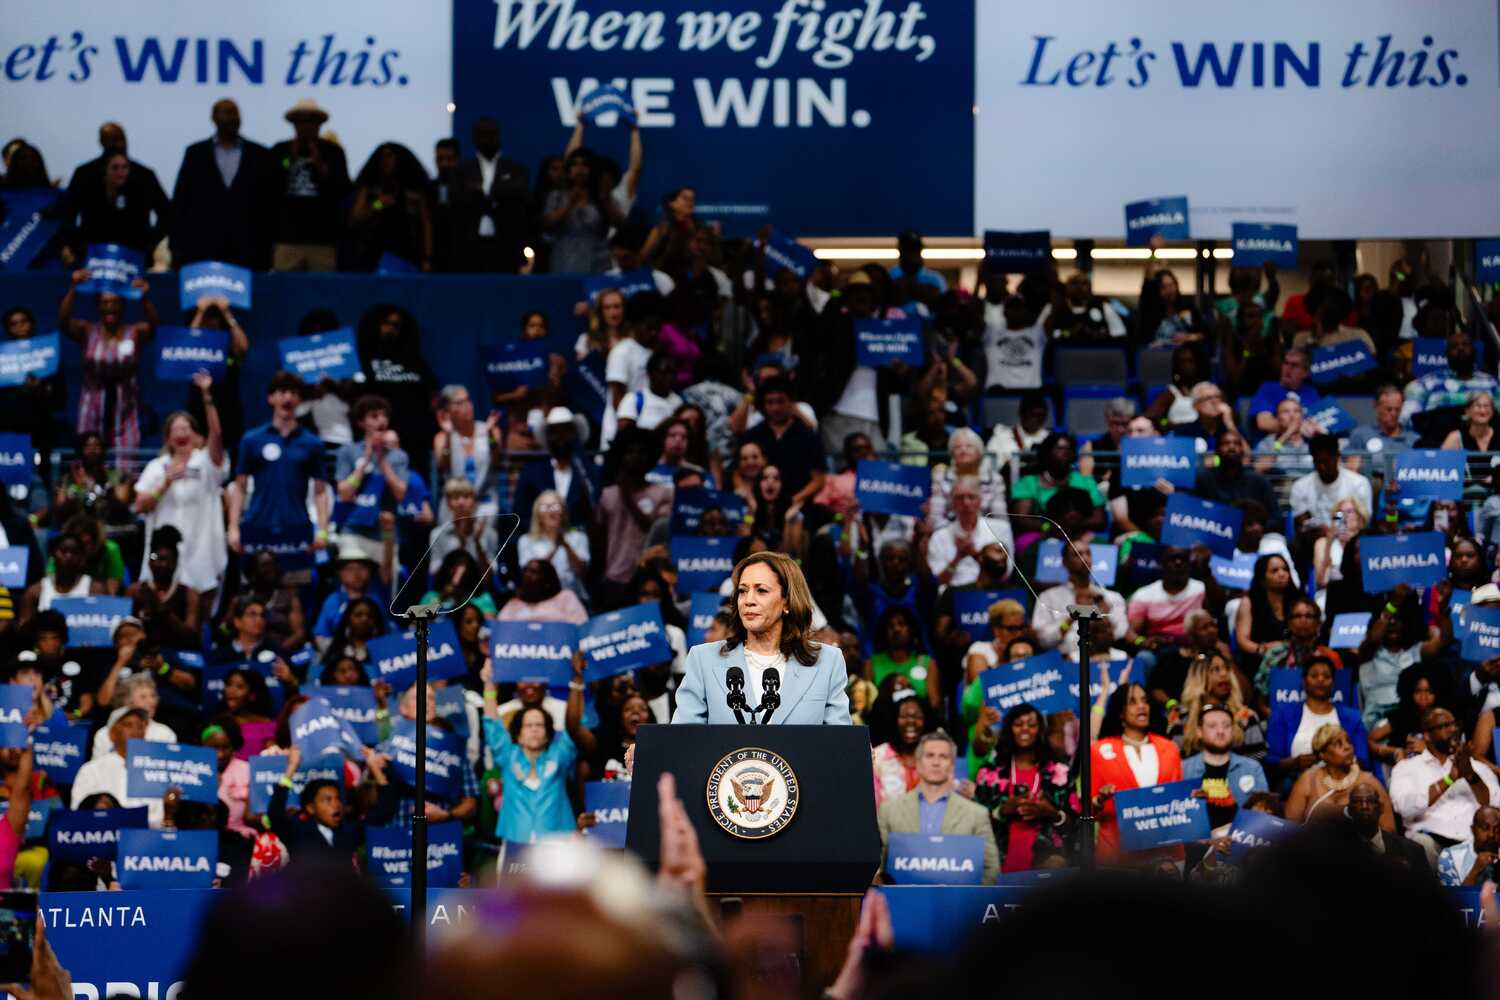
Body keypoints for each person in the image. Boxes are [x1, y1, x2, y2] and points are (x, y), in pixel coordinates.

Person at [673, 551, 851, 725]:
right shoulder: (703, 659)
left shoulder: (828, 662)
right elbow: (684, 740)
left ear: (787, 601)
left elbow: (839, 744)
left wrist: (857, 750)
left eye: (761, 591)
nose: (748, 600)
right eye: (742, 591)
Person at [134, 371, 228, 597]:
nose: (181, 432)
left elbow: (216, 433)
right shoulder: (156, 467)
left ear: (196, 436)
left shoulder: (205, 462)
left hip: (201, 552)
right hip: (163, 556)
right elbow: (140, 506)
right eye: (175, 429)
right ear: (168, 438)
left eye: (186, 428)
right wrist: (164, 484)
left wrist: (206, 396)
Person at [227, 372, 331, 564]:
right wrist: (233, 528)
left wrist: (323, 530)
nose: (288, 397)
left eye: (293, 393)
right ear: (271, 398)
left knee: (295, 590)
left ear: (299, 399)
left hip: (297, 527)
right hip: (257, 526)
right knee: (257, 590)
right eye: (282, 392)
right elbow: (240, 487)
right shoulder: (252, 440)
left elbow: (320, 491)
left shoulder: (312, 443)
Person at [58, 265, 158, 455]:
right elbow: (63, 322)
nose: (109, 307)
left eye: (114, 302)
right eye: (104, 303)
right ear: (98, 306)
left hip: (126, 406)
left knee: (125, 462)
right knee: (89, 455)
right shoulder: (88, 331)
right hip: (92, 404)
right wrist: (73, 288)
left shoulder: (134, 331)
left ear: (122, 305)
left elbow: (155, 326)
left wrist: (144, 298)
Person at [878, 730, 999, 885]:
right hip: (901, 904)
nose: (936, 762)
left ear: (952, 765)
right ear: (918, 763)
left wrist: (972, 902)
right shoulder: (889, 810)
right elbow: (879, 865)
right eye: (929, 756)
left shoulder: (977, 814)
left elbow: (991, 869)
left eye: (943, 756)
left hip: (960, 906)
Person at [480, 660, 578, 843]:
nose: (534, 729)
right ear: (517, 735)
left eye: (540, 725)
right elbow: (492, 724)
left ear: (548, 735)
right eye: (528, 725)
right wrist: (489, 684)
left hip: (557, 846)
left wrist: (576, 680)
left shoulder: (560, 756)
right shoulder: (508, 756)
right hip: (515, 846)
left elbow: (573, 727)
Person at [1389, 707, 1500, 865]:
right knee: (1422, 844)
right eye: (1444, 726)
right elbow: (1404, 809)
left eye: (1454, 724)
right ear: (1427, 735)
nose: (1452, 729)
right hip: (1432, 844)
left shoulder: (1477, 768)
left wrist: (1471, 776)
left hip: (1473, 845)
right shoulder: (1406, 768)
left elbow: (1494, 806)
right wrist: (1449, 779)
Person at [972, 702, 1074, 872]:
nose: (1025, 729)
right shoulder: (990, 772)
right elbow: (974, 824)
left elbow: (1075, 826)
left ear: (1041, 730)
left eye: (1032, 724)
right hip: (997, 868)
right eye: (1018, 724)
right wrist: (1002, 811)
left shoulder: (1059, 772)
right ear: (1009, 729)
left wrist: (1050, 813)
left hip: (1045, 872)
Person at [170, 98, 269, 268]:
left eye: (236, 113)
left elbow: (268, 202)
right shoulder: (195, 153)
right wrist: (176, 244)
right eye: (227, 112)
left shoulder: (259, 154)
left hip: (249, 248)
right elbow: (181, 200)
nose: (233, 118)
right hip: (204, 246)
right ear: (214, 119)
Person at [1090, 681, 1182, 860]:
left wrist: (1193, 800)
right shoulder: (1099, 751)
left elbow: (1178, 800)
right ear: (1120, 712)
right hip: (1117, 856)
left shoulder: (1170, 748)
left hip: (1166, 854)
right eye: (1132, 702)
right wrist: (1100, 799)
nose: (1141, 706)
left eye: (1145, 700)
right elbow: (1087, 811)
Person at [267, 98, 351, 272]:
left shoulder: (333, 152)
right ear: (294, 125)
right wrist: (288, 162)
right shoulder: (280, 151)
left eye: (312, 121)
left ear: (319, 124)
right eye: (301, 122)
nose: (306, 126)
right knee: (284, 289)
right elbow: (268, 187)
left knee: (323, 292)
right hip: (287, 239)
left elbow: (343, 191)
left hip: (322, 240)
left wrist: (321, 168)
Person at [1355, 583, 1450, 730]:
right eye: (1389, 620)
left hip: (1410, 718)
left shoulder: (1415, 651)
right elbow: (1373, 638)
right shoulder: (1369, 652)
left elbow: (1444, 641)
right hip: (1377, 717)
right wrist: (1392, 605)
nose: (1392, 623)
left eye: (1397, 619)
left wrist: (1442, 610)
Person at [333, 395, 410, 562]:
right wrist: (365, 461)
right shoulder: (348, 452)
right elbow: (345, 493)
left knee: (387, 587)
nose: (381, 420)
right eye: (374, 416)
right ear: (361, 423)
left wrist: (382, 461)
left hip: (385, 533)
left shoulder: (398, 456)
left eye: (384, 416)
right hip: (353, 531)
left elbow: (400, 494)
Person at [1268, 654, 1368, 779]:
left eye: (1326, 676)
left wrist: (1340, 764)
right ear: (1304, 681)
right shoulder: (1283, 714)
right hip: (1297, 782)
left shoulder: (1352, 717)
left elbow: (1363, 759)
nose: (1321, 680)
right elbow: (1271, 760)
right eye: (1314, 675)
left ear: (1333, 682)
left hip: (1344, 783)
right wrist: (1294, 763)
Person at [63, 142, 170, 259]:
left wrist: (148, 245)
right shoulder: (91, 192)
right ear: (105, 170)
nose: (120, 173)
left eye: (124, 168)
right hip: (95, 257)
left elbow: (166, 215)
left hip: (133, 258)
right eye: (115, 168)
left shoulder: (138, 194)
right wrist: (79, 247)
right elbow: (68, 216)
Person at [740, 375, 828, 511]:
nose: (775, 408)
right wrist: (749, 497)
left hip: (798, 507)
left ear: (791, 402)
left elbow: (819, 480)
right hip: (757, 509)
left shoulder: (808, 436)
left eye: (781, 401)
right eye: (770, 402)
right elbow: (737, 473)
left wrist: (794, 500)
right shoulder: (752, 435)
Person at [69, 707, 164, 825]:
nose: (136, 731)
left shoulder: (154, 772)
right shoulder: (91, 770)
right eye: (128, 725)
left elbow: (158, 817)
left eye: (140, 726)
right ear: (112, 733)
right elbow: (77, 811)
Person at [1181, 702, 1268, 831]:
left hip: (1242, 844)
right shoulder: (1183, 770)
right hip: (1199, 846)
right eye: (1212, 726)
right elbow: (1177, 824)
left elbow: (1265, 817)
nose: (1220, 731)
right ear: (1199, 731)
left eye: (1226, 726)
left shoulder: (1252, 768)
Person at [1286, 723, 1392, 828]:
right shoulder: (1308, 780)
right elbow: (1289, 829)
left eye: (1348, 741)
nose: (1347, 747)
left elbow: (1389, 830)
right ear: (1322, 754)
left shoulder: (1369, 783)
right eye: (1338, 744)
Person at [348, 143, 432, 271]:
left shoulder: (414, 190)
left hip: (408, 254)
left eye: (389, 157)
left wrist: (427, 258)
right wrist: (378, 204)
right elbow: (356, 218)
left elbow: (426, 224)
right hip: (373, 255)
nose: (385, 161)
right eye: (381, 158)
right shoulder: (369, 187)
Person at [513, 407, 594, 532]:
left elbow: (594, 516)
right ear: (548, 437)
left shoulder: (588, 473)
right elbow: (520, 513)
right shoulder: (531, 473)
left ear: (574, 436)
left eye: (566, 431)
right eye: (555, 432)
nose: (560, 437)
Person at [927, 476, 1016, 589]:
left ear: (980, 501)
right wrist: (958, 557)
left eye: (971, 497)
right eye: (960, 497)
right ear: (953, 503)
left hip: (990, 591)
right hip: (953, 594)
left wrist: (975, 554)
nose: (966, 502)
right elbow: (939, 580)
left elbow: (1004, 574)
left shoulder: (1000, 529)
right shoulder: (939, 536)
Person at [1401, 329, 1497, 434]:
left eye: (1465, 345)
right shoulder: (1427, 383)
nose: (1461, 349)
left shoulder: (1492, 384)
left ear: (1474, 351)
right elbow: (1407, 419)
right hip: (1438, 444)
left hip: (1484, 445)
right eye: (1454, 347)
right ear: (1446, 354)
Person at [1288, 434, 1372, 543]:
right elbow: (1302, 525)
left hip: (1350, 540)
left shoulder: (1359, 483)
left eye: (1326, 461)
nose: (1322, 467)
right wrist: (1325, 533)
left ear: (1337, 456)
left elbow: (1364, 522)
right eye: (1318, 462)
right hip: (1316, 542)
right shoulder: (1300, 487)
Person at [870, 690, 933, 807]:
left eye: (917, 717)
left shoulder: (935, 756)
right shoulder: (878, 757)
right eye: (904, 716)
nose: (911, 721)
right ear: (895, 720)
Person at [1249, 348, 1323, 439]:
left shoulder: (1312, 393)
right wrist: (1298, 428)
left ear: (1306, 372)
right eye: (1286, 363)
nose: (1288, 368)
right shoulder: (1268, 388)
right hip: (1274, 445)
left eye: (1295, 365)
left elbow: (1318, 422)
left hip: (1304, 446)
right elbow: (1264, 423)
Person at [1345, 384, 1418, 473]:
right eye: (1389, 409)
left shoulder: (1415, 440)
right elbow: (1347, 465)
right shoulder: (1361, 434)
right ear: (1376, 406)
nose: (1394, 414)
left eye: (1397, 409)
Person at [498, 559, 588, 625]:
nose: (527, 575)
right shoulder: (514, 604)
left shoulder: (565, 597)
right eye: (525, 570)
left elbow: (580, 626)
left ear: (547, 581)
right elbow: (500, 632)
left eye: (533, 572)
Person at [1437, 805, 1500, 886]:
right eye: (1485, 828)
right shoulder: (1449, 857)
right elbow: (1454, 897)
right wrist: (1475, 871)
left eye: (1498, 830)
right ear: (1473, 830)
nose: (1491, 834)